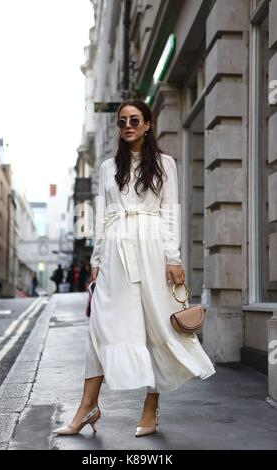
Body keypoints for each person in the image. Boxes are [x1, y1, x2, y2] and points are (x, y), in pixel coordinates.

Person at [53, 99, 216, 438]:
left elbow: (171, 211)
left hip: (153, 248)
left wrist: (174, 258)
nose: (127, 125)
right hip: (115, 252)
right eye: (122, 121)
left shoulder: (164, 164)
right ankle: (87, 407)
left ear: (147, 125)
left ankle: (151, 405)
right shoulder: (107, 167)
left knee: (155, 326)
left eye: (134, 120)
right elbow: (101, 217)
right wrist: (96, 260)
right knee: (101, 326)